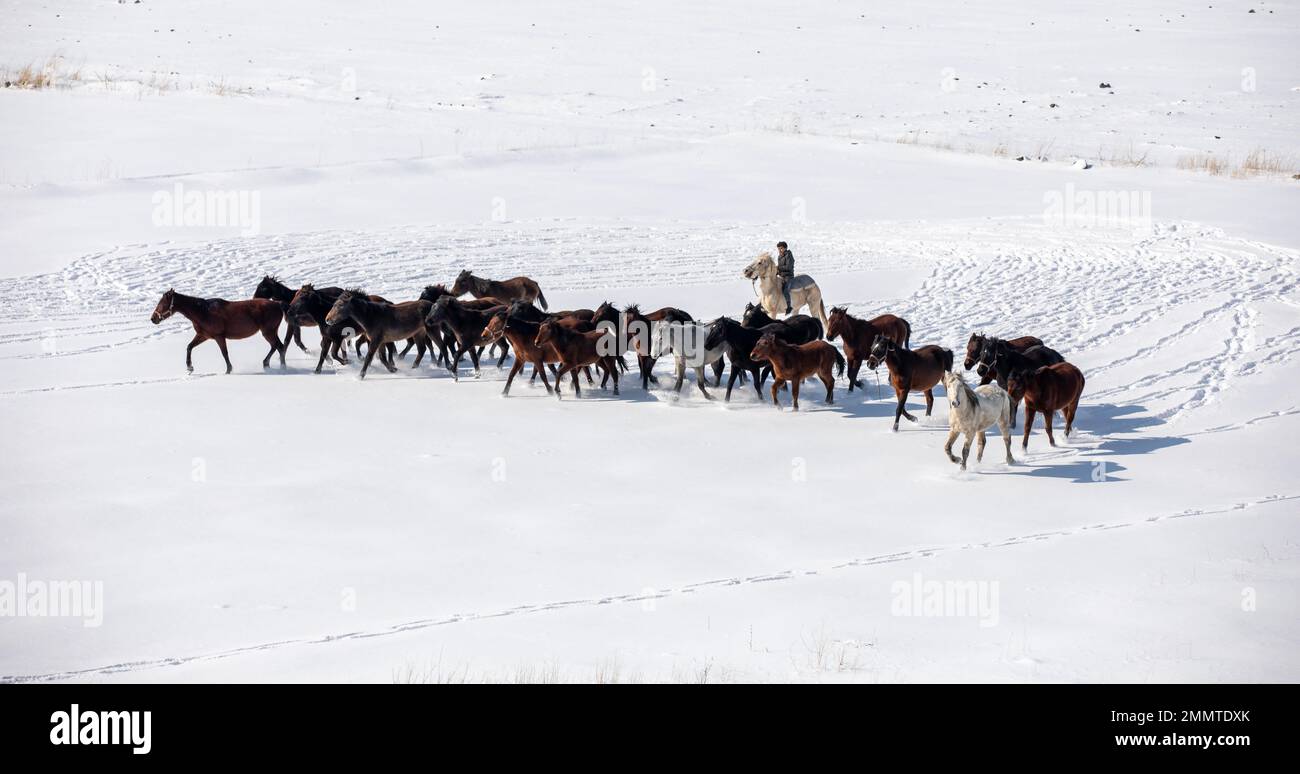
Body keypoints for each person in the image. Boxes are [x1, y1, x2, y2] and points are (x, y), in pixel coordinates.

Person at [776, 241, 795, 314]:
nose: (779, 250)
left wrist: (779, 268)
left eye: (781, 248)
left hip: (788, 276)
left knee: (785, 290)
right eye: (778, 249)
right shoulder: (779, 256)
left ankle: (789, 306)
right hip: (781, 276)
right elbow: (780, 268)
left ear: (785, 248)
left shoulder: (789, 255)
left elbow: (788, 267)